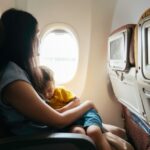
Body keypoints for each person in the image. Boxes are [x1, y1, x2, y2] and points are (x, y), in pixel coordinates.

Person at [0, 8, 115, 150]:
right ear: (23, 39)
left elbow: (50, 115)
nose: (38, 40)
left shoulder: (16, 72)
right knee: (91, 134)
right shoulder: (14, 82)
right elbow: (58, 121)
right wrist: (88, 104)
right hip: (37, 140)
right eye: (36, 35)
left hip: (43, 132)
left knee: (104, 132)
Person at [37, 66, 134, 150]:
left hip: (84, 114)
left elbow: (77, 101)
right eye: (42, 92)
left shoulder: (60, 91)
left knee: (94, 132)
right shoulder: (40, 100)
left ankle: (108, 135)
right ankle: (105, 134)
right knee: (78, 133)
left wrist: (61, 111)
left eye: (49, 90)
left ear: (53, 83)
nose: (47, 94)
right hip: (72, 122)